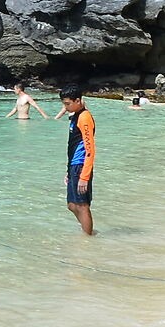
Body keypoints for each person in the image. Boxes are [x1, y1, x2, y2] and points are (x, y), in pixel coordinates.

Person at [60, 86, 97, 236]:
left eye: (68, 104)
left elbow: (90, 150)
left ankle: (88, 239)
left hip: (81, 166)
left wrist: (84, 176)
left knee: (82, 205)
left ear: (78, 101)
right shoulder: (76, 115)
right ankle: (88, 232)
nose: (65, 107)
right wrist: (69, 171)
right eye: (64, 104)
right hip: (74, 166)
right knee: (71, 205)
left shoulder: (85, 117)